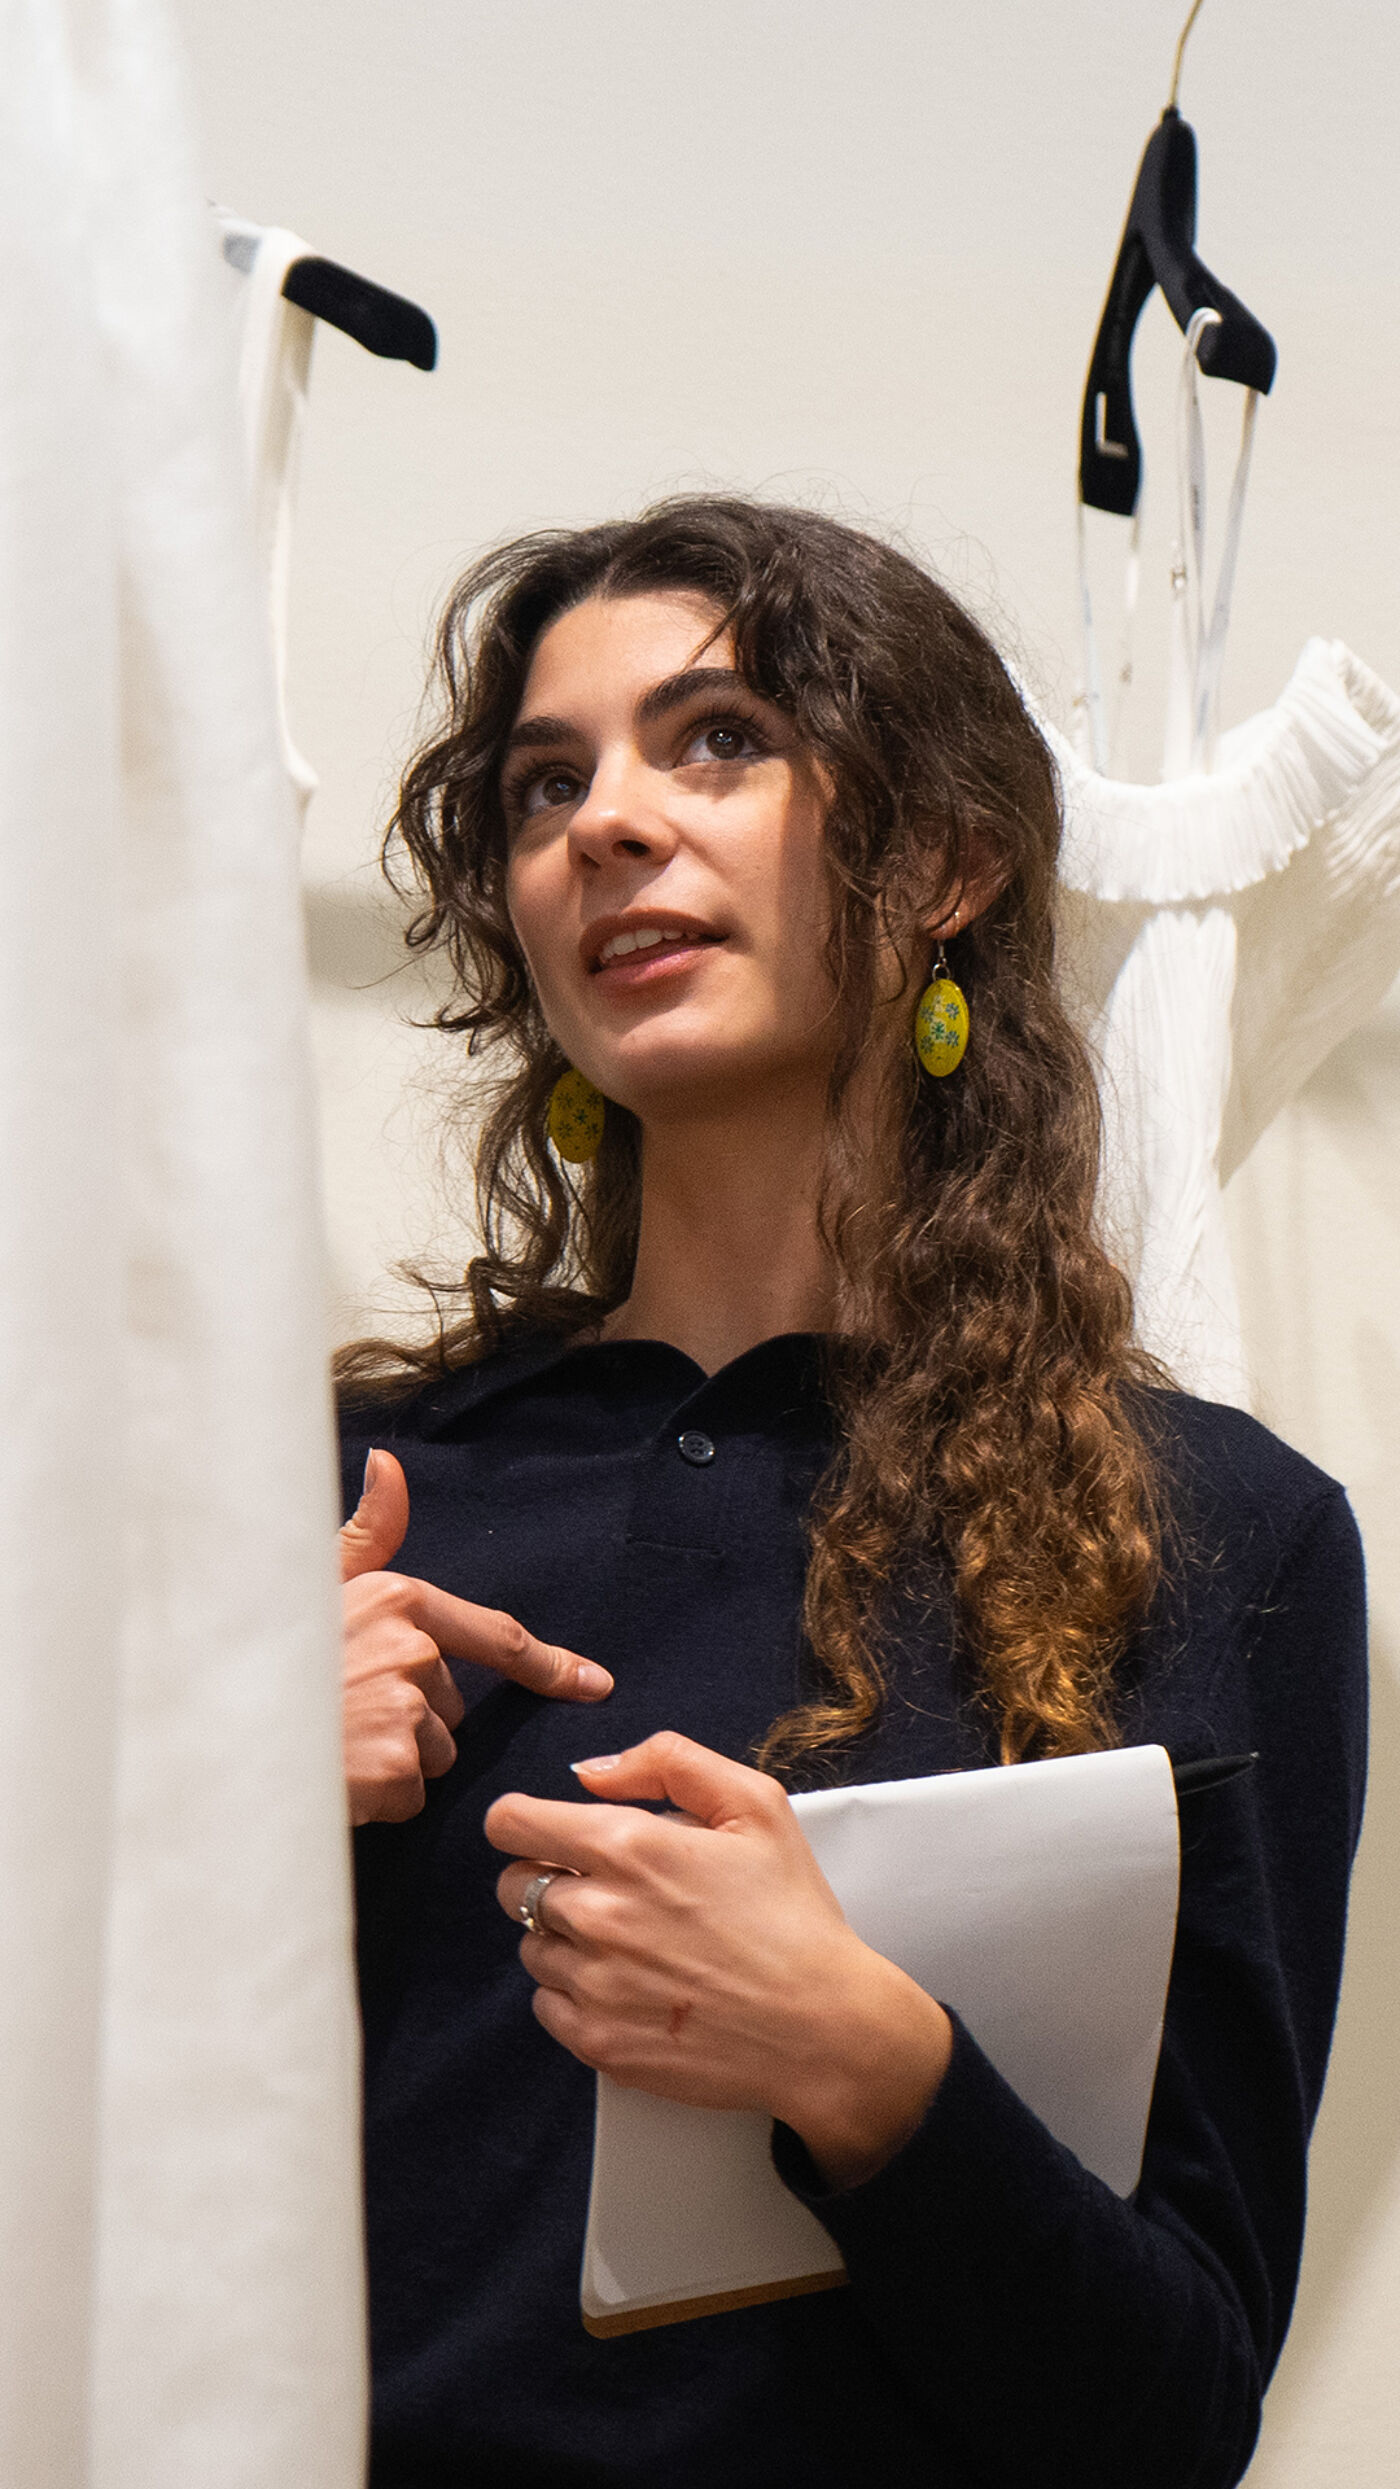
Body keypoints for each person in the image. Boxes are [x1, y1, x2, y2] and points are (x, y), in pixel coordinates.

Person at [335, 498, 1366, 2489]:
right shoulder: (342, 1496)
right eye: (545, 784)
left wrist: (869, 2066)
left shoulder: (1219, 1537)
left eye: (714, 738)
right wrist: (205, 1821)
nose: (606, 823)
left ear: (949, 861)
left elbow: (1166, 2423)